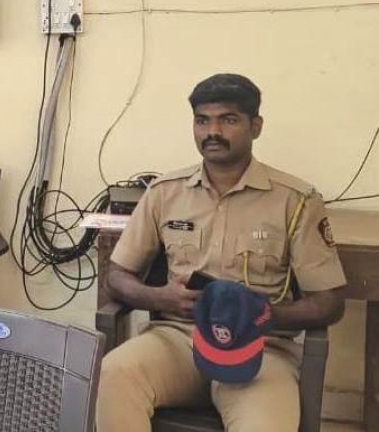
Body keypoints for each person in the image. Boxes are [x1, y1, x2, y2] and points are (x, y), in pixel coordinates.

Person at [96, 73, 346, 432]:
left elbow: (329, 302)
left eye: (228, 120)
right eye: (202, 120)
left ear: (255, 126)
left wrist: (263, 314)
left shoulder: (295, 200)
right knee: (114, 374)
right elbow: (118, 276)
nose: (212, 131)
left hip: (261, 349)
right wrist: (161, 297)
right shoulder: (165, 193)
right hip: (178, 340)